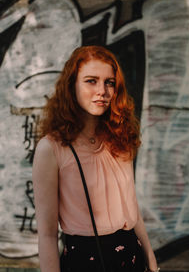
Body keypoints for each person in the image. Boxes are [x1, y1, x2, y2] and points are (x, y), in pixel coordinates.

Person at [32, 45, 159, 272]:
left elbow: (132, 209)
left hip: (132, 256)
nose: (102, 90)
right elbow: (48, 235)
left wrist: (151, 260)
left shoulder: (120, 137)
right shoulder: (51, 149)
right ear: (72, 86)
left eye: (109, 82)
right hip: (86, 261)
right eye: (91, 81)